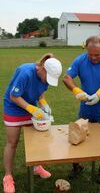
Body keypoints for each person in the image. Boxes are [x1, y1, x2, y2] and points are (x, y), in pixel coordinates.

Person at [63, 36, 100, 184]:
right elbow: (66, 78)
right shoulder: (81, 60)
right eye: (90, 54)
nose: (93, 58)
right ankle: (78, 166)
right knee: (79, 139)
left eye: (97, 55)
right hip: (86, 111)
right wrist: (77, 90)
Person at [3, 53, 62, 193]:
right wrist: (31, 108)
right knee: (12, 142)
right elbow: (13, 96)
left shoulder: (45, 77)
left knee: (35, 141)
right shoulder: (25, 73)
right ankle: (8, 176)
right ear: (42, 68)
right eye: (47, 78)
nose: (47, 81)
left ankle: (36, 167)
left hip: (31, 107)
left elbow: (40, 92)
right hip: (13, 107)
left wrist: (43, 103)